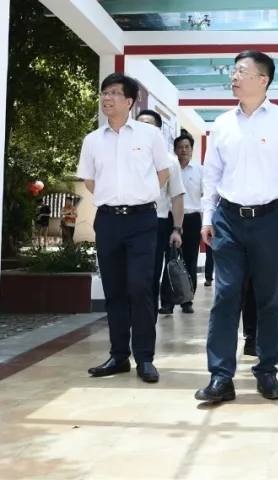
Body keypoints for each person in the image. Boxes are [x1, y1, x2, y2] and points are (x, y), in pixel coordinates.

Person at [195, 50, 278, 404]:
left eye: (241, 71)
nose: (233, 77)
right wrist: (207, 216)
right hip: (228, 219)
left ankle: (267, 370)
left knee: (268, 297)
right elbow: (211, 174)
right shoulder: (222, 123)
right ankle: (220, 376)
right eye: (233, 71)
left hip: (269, 219)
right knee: (225, 296)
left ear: (263, 80)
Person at [77, 73, 170, 384]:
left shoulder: (149, 135)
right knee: (114, 289)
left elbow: (163, 173)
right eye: (105, 92)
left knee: (140, 287)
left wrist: (138, 195)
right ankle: (118, 356)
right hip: (108, 221)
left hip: (142, 220)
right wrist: (113, 198)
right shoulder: (92, 140)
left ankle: (145, 357)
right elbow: (89, 180)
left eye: (115, 93)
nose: (107, 98)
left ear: (130, 101)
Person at [135, 110, 185, 316]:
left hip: (157, 223)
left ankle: (147, 321)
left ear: (158, 130)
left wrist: (177, 229)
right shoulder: (126, 155)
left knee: (151, 274)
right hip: (128, 220)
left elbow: (177, 197)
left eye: (148, 124)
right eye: (139, 124)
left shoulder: (169, 161)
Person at [172, 133, 203, 313]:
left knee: (190, 260)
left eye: (187, 147)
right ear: (175, 150)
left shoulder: (199, 171)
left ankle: (187, 300)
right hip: (171, 219)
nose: (183, 150)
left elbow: (206, 197)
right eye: (180, 147)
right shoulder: (170, 169)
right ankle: (167, 302)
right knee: (170, 259)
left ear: (192, 149)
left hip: (192, 219)